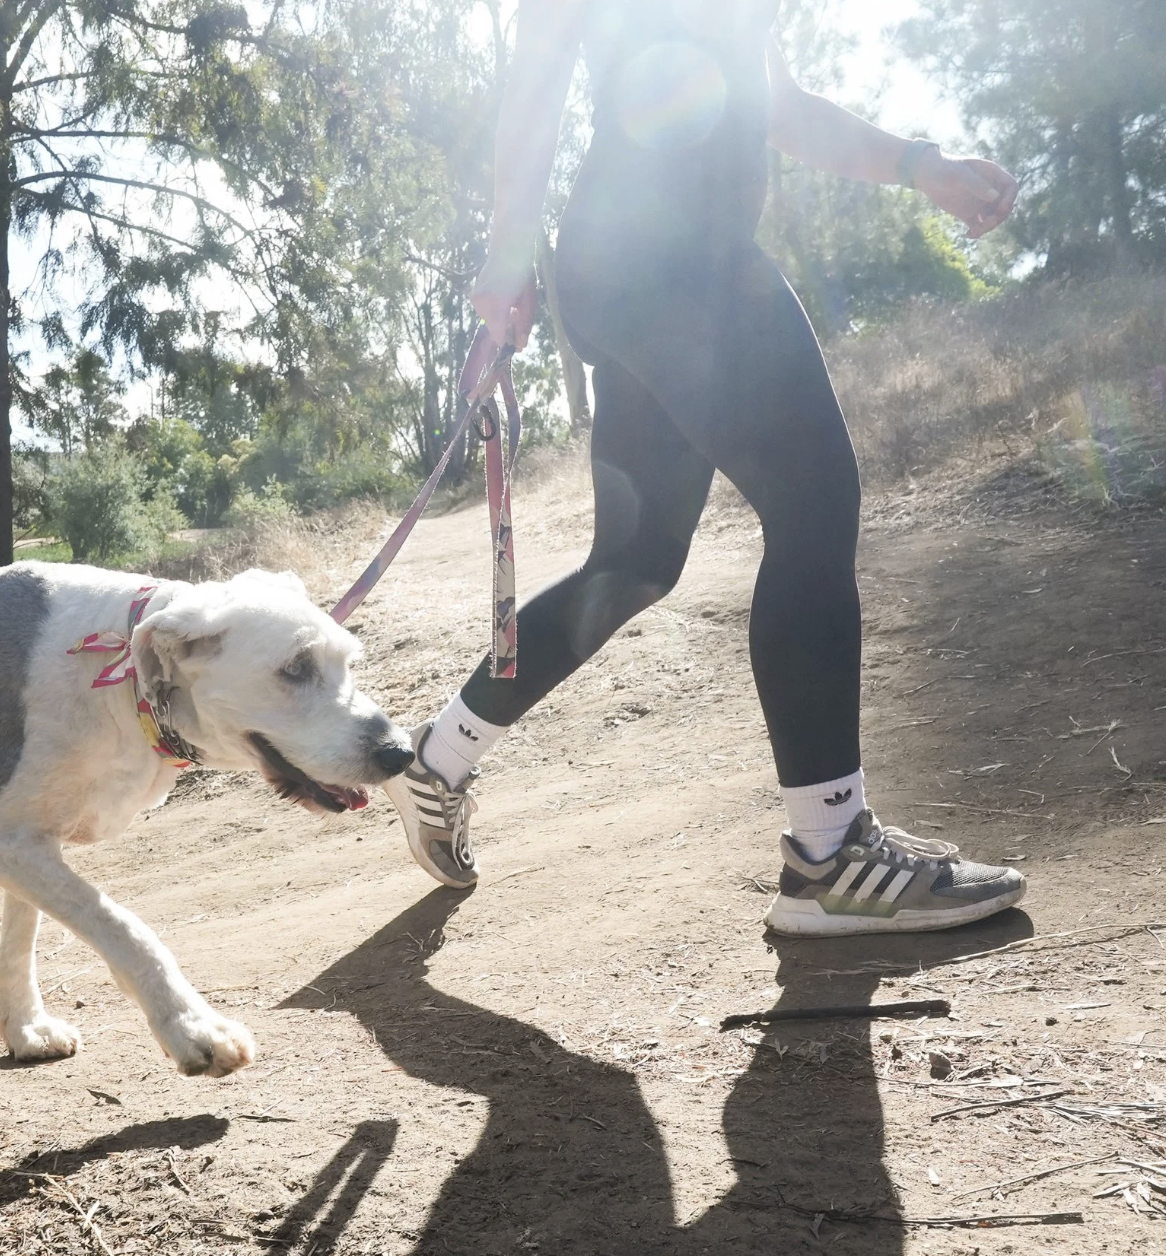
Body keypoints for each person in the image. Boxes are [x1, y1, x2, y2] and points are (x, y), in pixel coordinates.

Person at [383, 0, 1027, 935]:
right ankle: (829, 856)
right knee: (812, 503)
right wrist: (505, 259)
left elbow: (779, 104)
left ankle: (437, 758)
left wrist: (921, 167)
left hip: (661, 263)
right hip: (672, 262)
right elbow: (536, 78)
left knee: (636, 561)